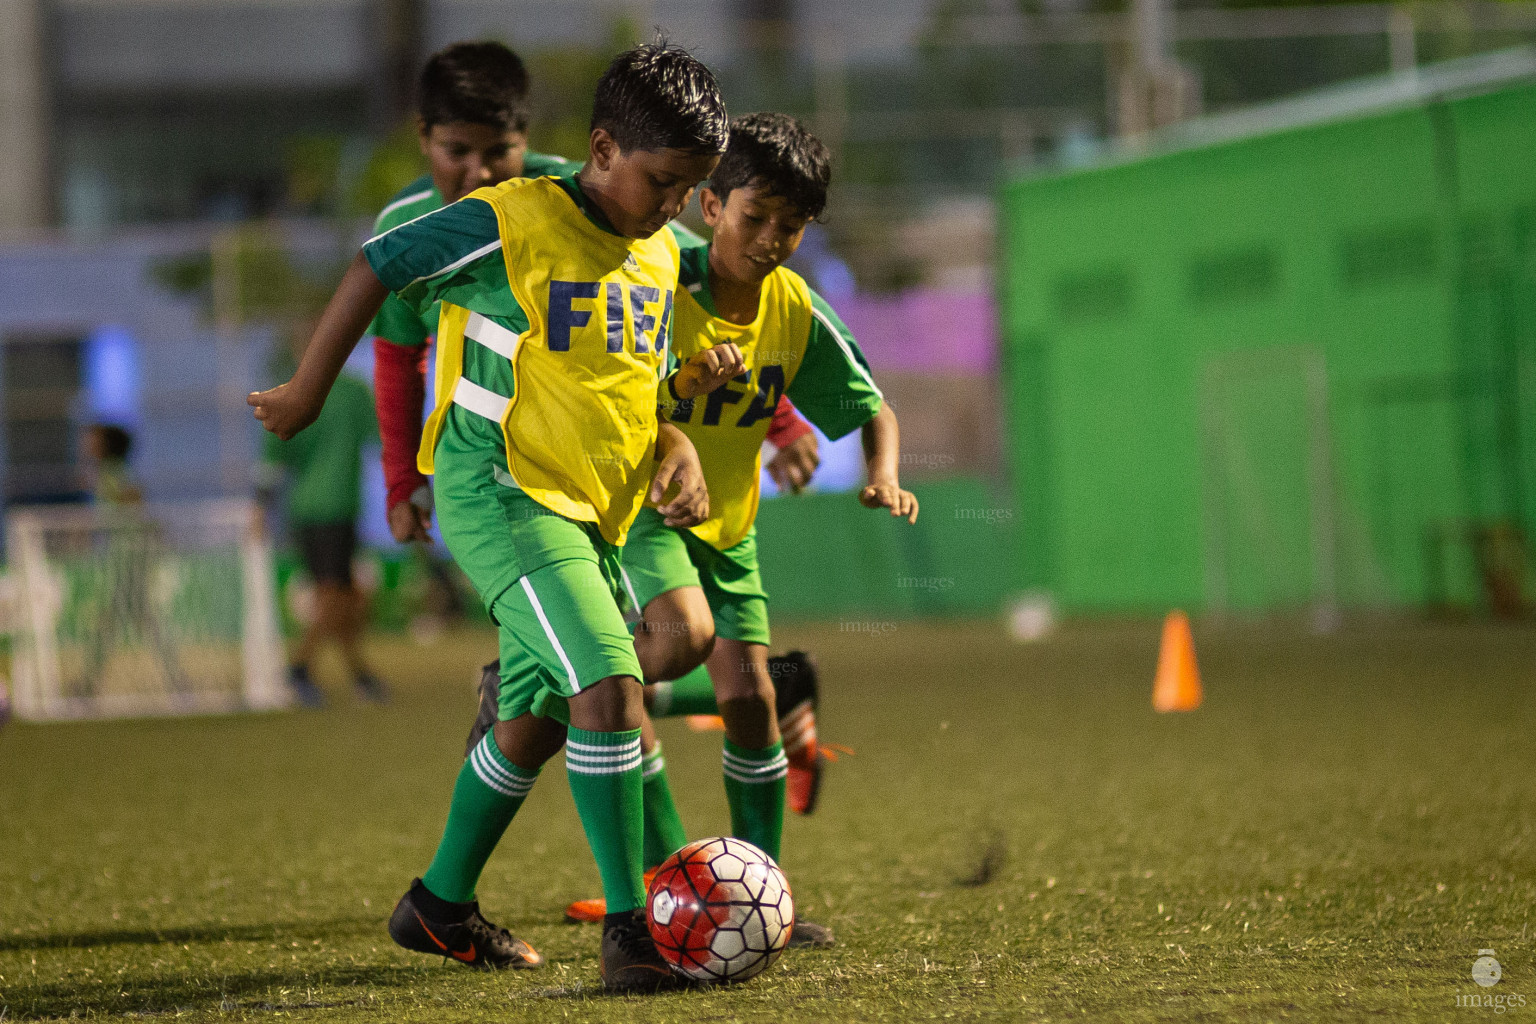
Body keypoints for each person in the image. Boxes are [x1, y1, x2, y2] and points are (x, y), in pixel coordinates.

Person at [248, 40, 742, 993]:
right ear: (601, 149)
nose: (676, 202)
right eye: (665, 181)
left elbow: (631, 383)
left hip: (589, 509)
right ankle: (634, 934)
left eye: (690, 187)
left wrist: (676, 443)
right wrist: (311, 391)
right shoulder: (508, 219)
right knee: (608, 684)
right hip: (501, 491)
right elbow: (375, 268)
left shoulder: (654, 250)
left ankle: (436, 906)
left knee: (539, 719)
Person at [560, 113, 919, 944]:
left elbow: (871, 406)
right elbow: (600, 388)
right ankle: (649, 871)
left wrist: (883, 475)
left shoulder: (793, 306)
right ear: (709, 204)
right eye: (754, 217)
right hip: (639, 517)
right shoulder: (649, 273)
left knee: (753, 701)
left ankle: (763, 899)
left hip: (728, 530)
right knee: (663, 656)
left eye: (790, 226)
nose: (769, 239)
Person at [258, 339, 387, 707]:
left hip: (304, 507)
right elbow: (381, 439)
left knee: (338, 593)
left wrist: (260, 506)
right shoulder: (352, 392)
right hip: (339, 504)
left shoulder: (288, 393)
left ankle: (360, 675)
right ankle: (300, 665)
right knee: (335, 594)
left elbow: (274, 455)